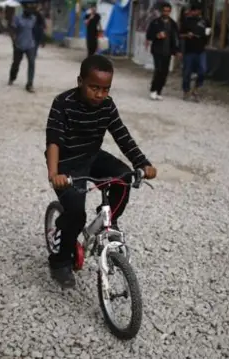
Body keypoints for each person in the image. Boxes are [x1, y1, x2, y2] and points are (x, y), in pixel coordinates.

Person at [45, 55, 157, 288]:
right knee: (76, 214)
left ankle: (110, 222)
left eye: (105, 89)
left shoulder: (107, 105)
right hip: (67, 163)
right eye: (94, 87)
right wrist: (54, 173)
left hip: (92, 156)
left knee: (124, 178)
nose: (99, 94)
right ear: (80, 81)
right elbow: (53, 140)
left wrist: (143, 163)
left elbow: (122, 136)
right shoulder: (63, 103)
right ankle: (59, 261)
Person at [145, 2, 180, 101]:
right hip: (157, 50)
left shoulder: (173, 24)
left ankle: (159, 91)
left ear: (170, 12)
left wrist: (177, 50)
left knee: (165, 71)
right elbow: (149, 35)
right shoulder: (155, 22)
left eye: (168, 11)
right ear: (161, 11)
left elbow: (176, 38)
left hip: (168, 51)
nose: (166, 13)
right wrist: (156, 36)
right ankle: (153, 90)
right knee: (158, 70)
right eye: (164, 11)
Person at [180, 3, 210, 102]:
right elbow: (179, 34)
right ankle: (186, 91)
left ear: (200, 11)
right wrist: (187, 35)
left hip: (201, 50)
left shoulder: (205, 21)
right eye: (193, 11)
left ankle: (196, 89)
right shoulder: (187, 21)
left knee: (203, 70)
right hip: (189, 50)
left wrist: (207, 40)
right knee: (187, 72)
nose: (195, 12)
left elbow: (208, 32)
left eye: (197, 10)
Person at [9, 2, 38, 93]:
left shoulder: (33, 18)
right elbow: (12, 30)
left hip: (30, 45)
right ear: (24, 8)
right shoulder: (17, 18)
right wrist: (14, 42)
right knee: (16, 63)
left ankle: (29, 84)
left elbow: (34, 31)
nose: (30, 10)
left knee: (32, 63)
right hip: (19, 45)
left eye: (31, 8)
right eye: (28, 8)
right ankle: (12, 77)